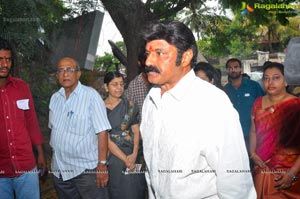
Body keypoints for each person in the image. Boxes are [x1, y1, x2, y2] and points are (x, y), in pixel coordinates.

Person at [140, 20, 256, 198]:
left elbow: (235, 181)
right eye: (148, 53)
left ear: (185, 57)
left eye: (159, 53)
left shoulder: (211, 104)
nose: (148, 61)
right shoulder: (152, 99)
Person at [48, 57, 111, 199]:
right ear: (57, 75)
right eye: (61, 71)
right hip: (59, 170)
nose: (65, 74)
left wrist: (102, 165)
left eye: (70, 70)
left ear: (78, 74)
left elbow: (102, 131)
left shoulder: (91, 96)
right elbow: (53, 129)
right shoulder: (55, 98)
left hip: (85, 171)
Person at [0, 37, 46, 198]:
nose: (4, 64)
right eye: (0, 59)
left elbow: (31, 122)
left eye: (8, 59)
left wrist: (40, 153)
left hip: (26, 165)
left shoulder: (22, 87)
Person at [249, 62, 300, 198]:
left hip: (290, 169)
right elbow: (253, 131)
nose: (270, 82)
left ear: (286, 81)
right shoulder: (258, 102)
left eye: (276, 78)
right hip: (263, 167)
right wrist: (253, 154)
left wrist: (292, 173)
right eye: (266, 78)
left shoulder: (296, 105)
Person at [103, 71, 146, 199]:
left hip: (133, 155)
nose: (119, 88)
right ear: (106, 87)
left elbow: (136, 130)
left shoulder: (130, 106)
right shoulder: (99, 108)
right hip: (113, 156)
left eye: (121, 84)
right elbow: (105, 139)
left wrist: (134, 153)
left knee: (137, 188)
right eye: (114, 84)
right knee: (118, 190)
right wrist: (125, 159)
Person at [224, 58, 264, 152]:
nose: (233, 70)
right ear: (227, 71)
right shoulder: (225, 90)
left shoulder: (253, 86)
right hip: (234, 135)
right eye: (230, 68)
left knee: (255, 161)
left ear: (241, 69)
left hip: (254, 134)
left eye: (236, 67)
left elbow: (263, 106)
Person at [124, 51, 151, 122]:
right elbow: (128, 111)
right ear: (139, 63)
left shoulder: (161, 83)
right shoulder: (133, 86)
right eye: (146, 66)